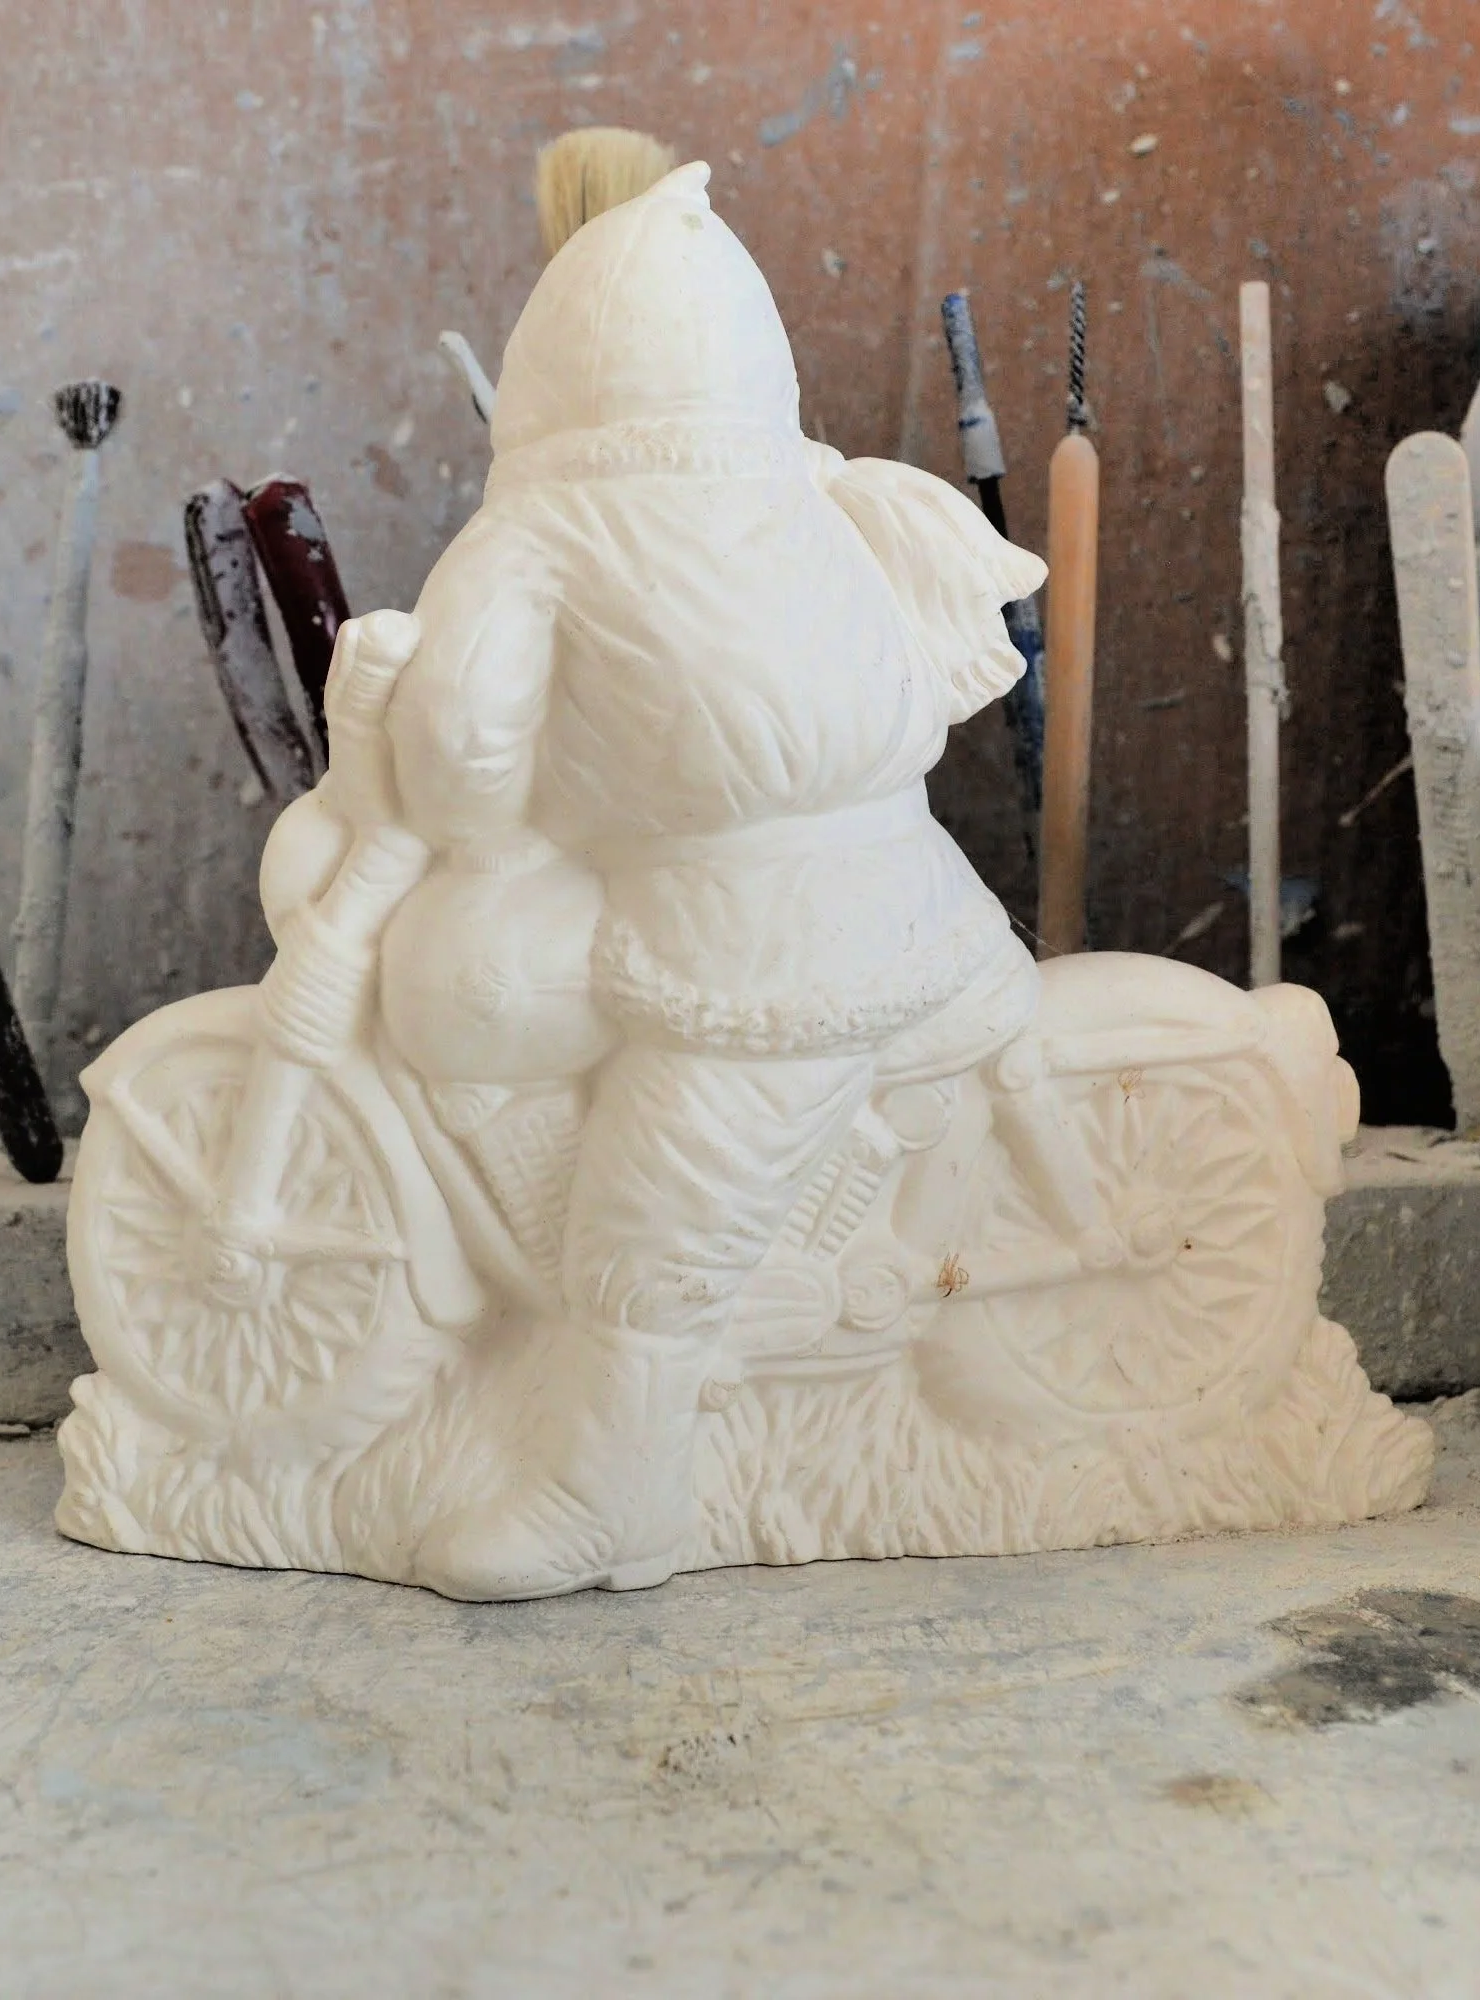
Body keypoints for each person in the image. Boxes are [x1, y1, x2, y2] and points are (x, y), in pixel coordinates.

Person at [382, 162, 1046, 1598]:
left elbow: (464, 754)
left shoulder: (537, 529)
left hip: (760, 955)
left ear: (546, 365)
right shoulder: (810, 484)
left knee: (647, 1232)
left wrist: (466, 793)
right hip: (920, 897)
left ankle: (614, 1502)